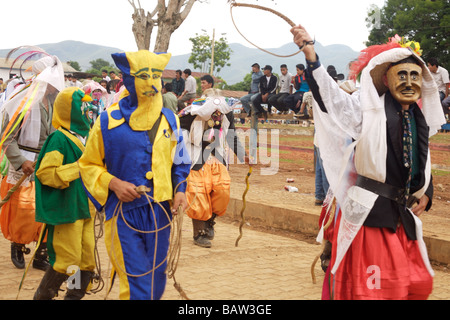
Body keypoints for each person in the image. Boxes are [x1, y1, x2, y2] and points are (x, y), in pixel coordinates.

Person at [291, 25, 445, 300]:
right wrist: (311, 54)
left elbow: (421, 157)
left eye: (415, 75)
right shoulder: (366, 111)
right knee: (375, 292)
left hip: (400, 216)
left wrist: (426, 193)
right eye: (402, 75)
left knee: (417, 284)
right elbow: (330, 97)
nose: (409, 82)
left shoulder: (417, 118)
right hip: (370, 216)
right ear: (386, 80)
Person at [78, 50, 190, 300]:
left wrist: (180, 189)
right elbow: (88, 165)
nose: (152, 83)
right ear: (129, 79)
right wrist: (113, 183)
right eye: (143, 76)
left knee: (155, 283)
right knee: (136, 285)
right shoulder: (107, 122)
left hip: (160, 212)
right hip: (123, 213)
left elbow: (180, 159)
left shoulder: (170, 120)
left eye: (156, 76)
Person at [0, 53, 65, 271]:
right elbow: (6, 137)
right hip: (25, 164)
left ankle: (41, 254)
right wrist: (20, 162)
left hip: (47, 163)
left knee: (47, 208)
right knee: (24, 209)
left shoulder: (56, 102)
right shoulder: (20, 102)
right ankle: (17, 244)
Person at [33, 87, 97, 300]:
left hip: (87, 207)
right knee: (67, 259)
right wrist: (78, 167)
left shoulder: (88, 136)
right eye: (83, 107)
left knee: (85, 259)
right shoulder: (59, 138)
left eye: (88, 108)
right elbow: (45, 174)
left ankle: (73, 295)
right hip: (68, 207)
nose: (88, 112)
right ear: (69, 110)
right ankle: (43, 295)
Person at [179, 74, 247, 248]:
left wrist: (243, 155)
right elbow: (178, 127)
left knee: (221, 191)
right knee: (198, 193)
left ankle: (210, 220)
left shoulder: (227, 114)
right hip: (197, 157)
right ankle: (199, 233)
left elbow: (231, 135)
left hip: (217, 157)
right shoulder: (191, 113)